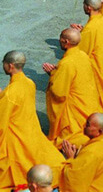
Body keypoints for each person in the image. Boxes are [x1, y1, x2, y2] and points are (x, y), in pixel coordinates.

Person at [0, 51, 64, 191]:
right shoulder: (29, 83)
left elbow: (2, 121)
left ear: (10, 66)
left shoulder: (10, 93)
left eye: (4, 63)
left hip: (15, 133)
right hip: (30, 128)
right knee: (36, 155)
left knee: (18, 163)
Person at [43, 28, 100, 147]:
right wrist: (57, 72)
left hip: (74, 107)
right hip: (87, 100)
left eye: (61, 39)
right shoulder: (83, 55)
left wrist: (53, 75)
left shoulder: (66, 63)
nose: (59, 41)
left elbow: (58, 92)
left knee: (72, 136)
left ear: (66, 42)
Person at [59, 113, 103, 190]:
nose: (84, 126)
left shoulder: (91, 153)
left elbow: (76, 180)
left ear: (99, 132)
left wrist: (71, 158)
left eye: (88, 125)